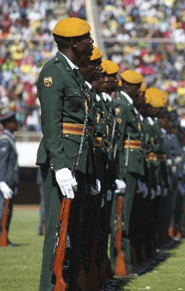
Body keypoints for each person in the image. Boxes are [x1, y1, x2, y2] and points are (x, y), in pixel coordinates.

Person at [36, 17, 95, 291]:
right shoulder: (53, 71)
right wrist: (60, 166)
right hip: (61, 164)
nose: (91, 43)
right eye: (87, 38)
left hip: (77, 161)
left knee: (74, 232)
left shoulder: (73, 74)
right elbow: (51, 125)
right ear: (73, 42)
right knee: (58, 233)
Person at [110, 69, 146, 275]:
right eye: (136, 87)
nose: (138, 90)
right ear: (127, 86)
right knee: (121, 218)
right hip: (126, 167)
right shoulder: (122, 107)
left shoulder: (128, 106)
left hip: (132, 167)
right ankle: (118, 264)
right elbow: (118, 143)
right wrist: (119, 173)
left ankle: (126, 263)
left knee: (127, 218)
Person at [0, 111, 19, 246]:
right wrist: (1, 181)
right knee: (2, 211)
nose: (16, 124)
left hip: (10, 182)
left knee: (8, 212)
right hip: (4, 182)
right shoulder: (5, 141)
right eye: (14, 122)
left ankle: (4, 238)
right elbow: (2, 162)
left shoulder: (10, 139)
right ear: (8, 125)